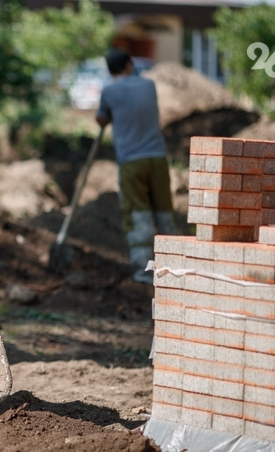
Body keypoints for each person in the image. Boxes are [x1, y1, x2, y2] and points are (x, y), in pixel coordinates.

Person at [95, 48, 176, 285]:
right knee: (164, 212)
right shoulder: (149, 86)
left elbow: (101, 118)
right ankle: (173, 268)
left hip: (131, 162)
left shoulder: (109, 91)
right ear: (129, 64)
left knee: (137, 214)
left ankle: (143, 271)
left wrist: (107, 116)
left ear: (110, 70)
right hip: (158, 159)